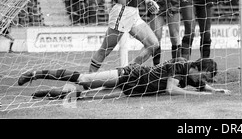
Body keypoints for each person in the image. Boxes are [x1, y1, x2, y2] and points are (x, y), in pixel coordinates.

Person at [17, 57, 230, 100]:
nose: (202, 80)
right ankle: (36, 74)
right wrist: (192, 94)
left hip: (133, 90)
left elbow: (201, 85)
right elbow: (172, 89)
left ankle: (46, 94)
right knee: (84, 80)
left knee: (85, 97)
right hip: (126, 76)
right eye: (203, 75)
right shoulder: (178, 66)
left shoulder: (193, 76)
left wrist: (214, 90)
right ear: (196, 68)